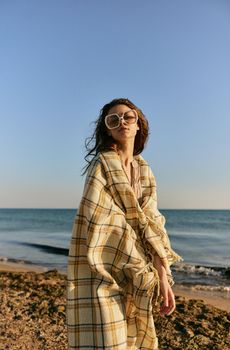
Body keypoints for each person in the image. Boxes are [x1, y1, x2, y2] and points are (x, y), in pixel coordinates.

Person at [67, 98, 182, 349]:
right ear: (107, 128)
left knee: (132, 341)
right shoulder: (102, 165)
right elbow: (99, 221)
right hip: (105, 269)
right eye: (113, 119)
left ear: (138, 123)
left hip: (137, 272)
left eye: (128, 117)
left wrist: (162, 278)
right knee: (109, 341)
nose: (122, 123)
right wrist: (136, 259)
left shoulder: (145, 171)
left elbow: (153, 225)